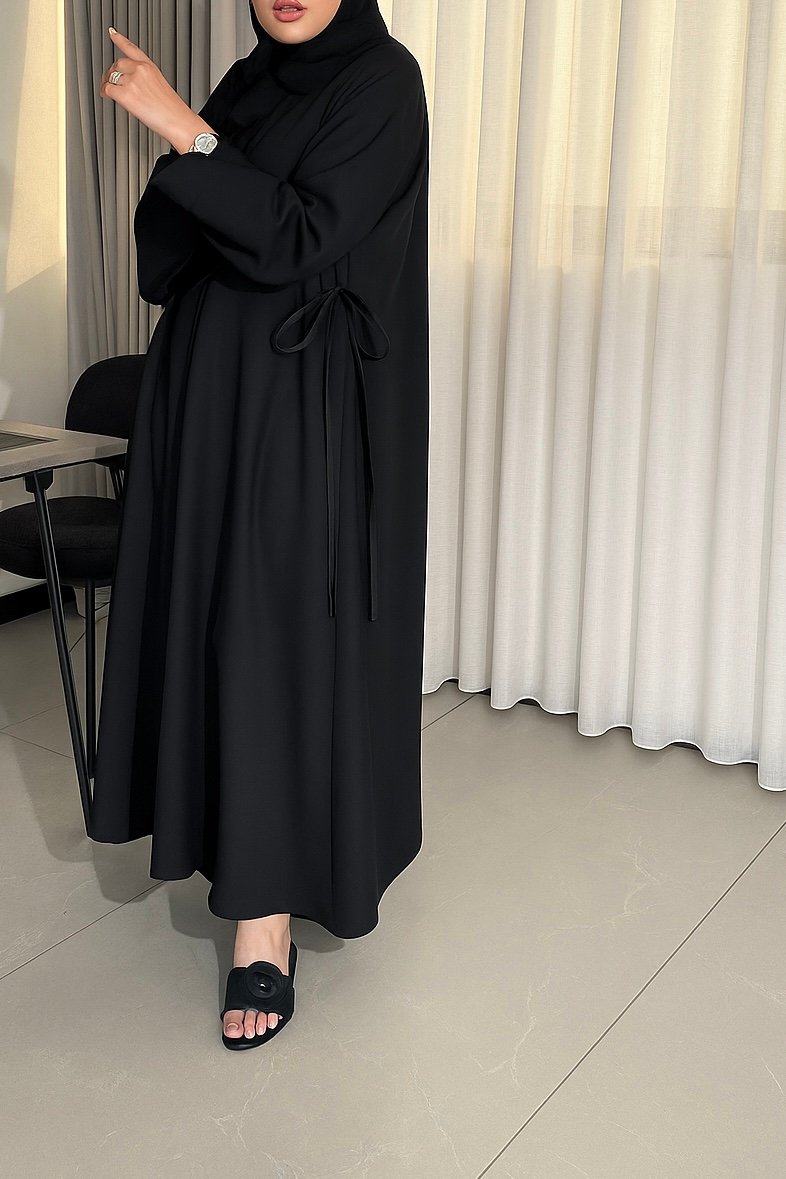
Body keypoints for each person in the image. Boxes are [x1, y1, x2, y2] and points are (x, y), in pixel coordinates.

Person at [88, 0, 430, 1050]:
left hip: (298, 405)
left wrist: (184, 132)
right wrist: (200, 146)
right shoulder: (249, 82)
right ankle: (214, 836)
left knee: (273, 639)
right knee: (203, 626)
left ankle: (264, 923)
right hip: (205, 398)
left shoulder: (381, 80)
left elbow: (301, 238)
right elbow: (170, 256)